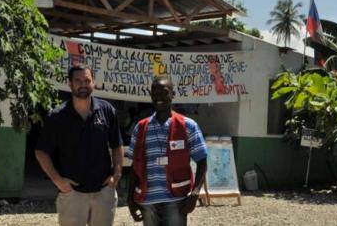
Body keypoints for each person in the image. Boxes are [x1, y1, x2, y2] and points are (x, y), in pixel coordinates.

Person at [35, 64, 123, 226]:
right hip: (72, 195)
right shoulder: (57, 116)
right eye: (78, 81)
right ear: (70, 84)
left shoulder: (107, 111)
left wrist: (116, 175)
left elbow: (117, 145)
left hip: (103, 192)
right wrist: (59, 182)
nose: (83, 84)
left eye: (87, 80)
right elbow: (41, 152)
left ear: (93, 83)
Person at [126, 75, 208, 226]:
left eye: (164, 92)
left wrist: (195, 193)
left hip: (176, 201)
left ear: (173, 94)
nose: (159, 97)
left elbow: (202, 161)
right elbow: (135, 167)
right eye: (155, 93)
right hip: (147, 201)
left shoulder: (188, 126)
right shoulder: (140, 128)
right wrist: (130, 198)